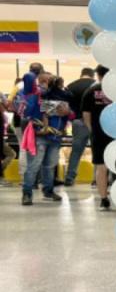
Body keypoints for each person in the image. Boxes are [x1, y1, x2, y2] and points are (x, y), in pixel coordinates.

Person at [21, 75, 72, 205]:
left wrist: (67, 112)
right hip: (40, 136)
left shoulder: (64, 96)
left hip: (55, 137)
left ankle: (48, 190)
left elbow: (71, 114)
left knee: (49, 166)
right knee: (34, 166)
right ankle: (27, 193)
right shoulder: (36, 96)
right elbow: (27, 113)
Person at [81, 66, 113, 210]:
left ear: (98, 75)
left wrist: (92, 130)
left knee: (101, 167)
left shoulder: (91, 91)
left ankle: (104, 199)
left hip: (99, 134)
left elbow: (86, 114)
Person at [64, 67, 96, 186]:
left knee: (76, 151)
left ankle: (70, 177)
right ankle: (96, 179)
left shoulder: (71, 86)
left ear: (81, 74)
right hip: (95, 123)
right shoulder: (96, 86)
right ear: (92, 75)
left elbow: (66, 106)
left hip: (78, 122)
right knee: (96, 151)